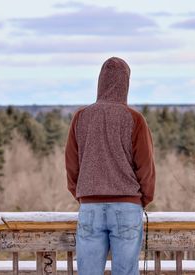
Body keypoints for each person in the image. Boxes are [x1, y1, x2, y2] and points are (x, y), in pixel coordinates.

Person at [65, 56, 156, 275]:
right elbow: (145, 167)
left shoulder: (81, 117)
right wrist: (142, 199)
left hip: (90, 208)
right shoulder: (134, 119)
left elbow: (71, 165)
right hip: (127, 208)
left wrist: (82, 195)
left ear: (100, 82)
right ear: (126, 83)